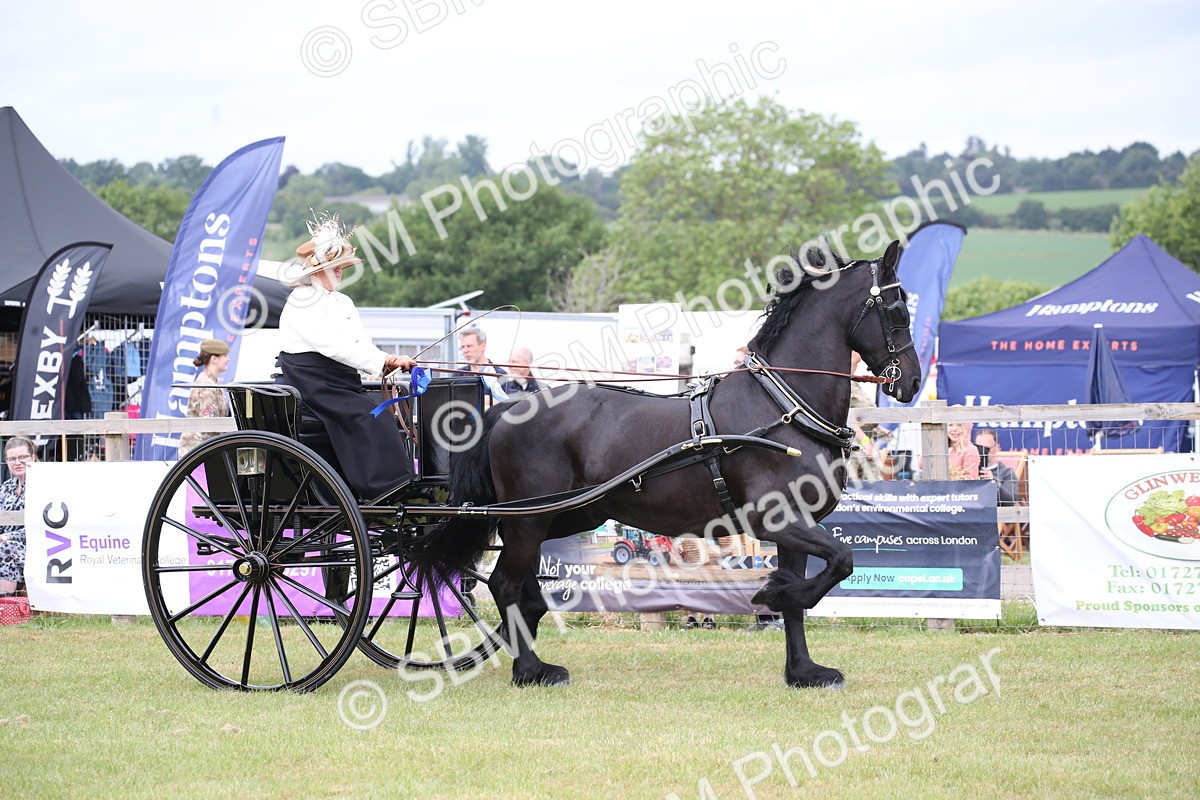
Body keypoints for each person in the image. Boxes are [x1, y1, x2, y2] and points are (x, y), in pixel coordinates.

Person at [277, 213, 417, 501]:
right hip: (311, 381)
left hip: (340, 379)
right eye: (333, 267)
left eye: (341, 267)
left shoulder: (344, 302)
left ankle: (398, 483)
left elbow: (358, 342)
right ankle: (380, 488)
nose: (339, 272)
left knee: (386, 411)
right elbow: (333, 347)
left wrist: (384, 364)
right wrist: (383, 360)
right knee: (368, 416)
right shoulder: (301, 300)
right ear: (316, 271)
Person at [178, 338, 232, 457]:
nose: (228, 359)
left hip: (203, 450)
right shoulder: (207, 385)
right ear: (214, 359)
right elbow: (210, 424)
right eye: (225, 356)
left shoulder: (212, 382)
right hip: (198, 451)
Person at [0, 436, 37, 596]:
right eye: (12, 458)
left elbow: (39, 528)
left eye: (23, 457)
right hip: (3, 542)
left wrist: (6, 537)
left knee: (5, 548)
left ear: (33, 458)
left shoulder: (43, 487)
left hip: (33, 548)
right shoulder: (5, 488)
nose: (17, 462)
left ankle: (5, 605)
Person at [846, 351, 885, 482]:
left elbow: (865, 415)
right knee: (852, 484)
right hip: (854, 444)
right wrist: (865, 443)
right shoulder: (843, 386)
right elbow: (847, 418)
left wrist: (883, 433)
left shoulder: (853, 383)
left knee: (874, 484)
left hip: (867, 441)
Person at [459, 327, 508, 402]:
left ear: (483, 346)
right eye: (463, 347)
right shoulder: (458, 375)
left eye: (469, 346)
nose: (465, 351)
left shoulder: (500, 374)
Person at [974, 428, 1019, 505]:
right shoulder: (967, 469)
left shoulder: (1006, 473)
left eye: (986, 449)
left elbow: (1011, 500)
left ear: (996, 448)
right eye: (978, 448)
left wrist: (994, 484)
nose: (982, 452)